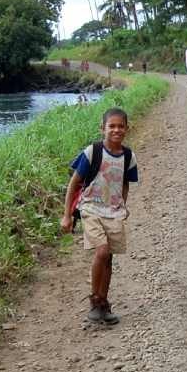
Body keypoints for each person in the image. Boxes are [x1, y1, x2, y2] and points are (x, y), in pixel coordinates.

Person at [61, 107, 138, 327]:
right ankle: (95, 302)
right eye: (111, 126)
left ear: (127, 128)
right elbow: (74, 183)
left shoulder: (129, 156)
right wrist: (67, 215)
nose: (116, 130)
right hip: (90, 209)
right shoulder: (92, 152)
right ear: (102, 128)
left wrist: (122, 205)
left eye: (120, 126)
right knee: (102, 251)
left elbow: (124, 183)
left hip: (113, 212)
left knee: (109, 258)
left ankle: (104, 304)